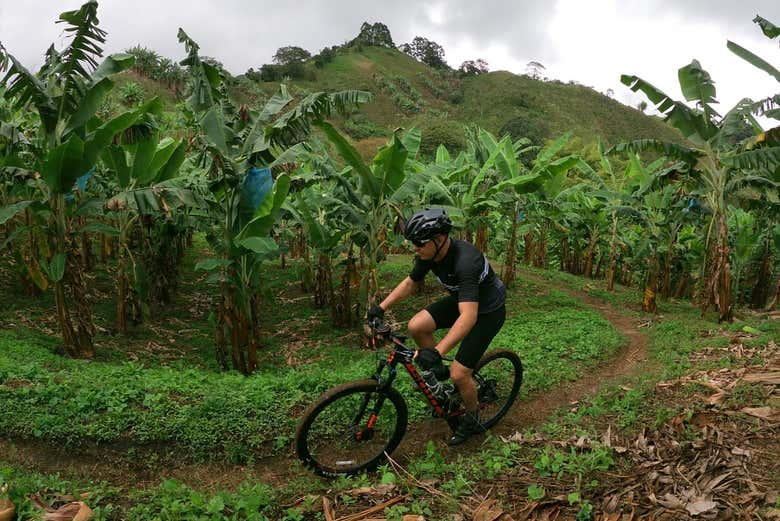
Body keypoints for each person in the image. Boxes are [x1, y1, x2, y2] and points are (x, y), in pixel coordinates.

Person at [368, 208, 507, 445]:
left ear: (440, 239)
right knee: (417, 325)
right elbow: (411, 282)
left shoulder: (466, 261)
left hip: (487, 312)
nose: (415, 248)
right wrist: (381, 307)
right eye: (413, 243)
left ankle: (472, 418)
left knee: (459, 373)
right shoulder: (428, 254)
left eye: (419, 243)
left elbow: (468, 316)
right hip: (463, 300)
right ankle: (440, 374)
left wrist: (437, 351)